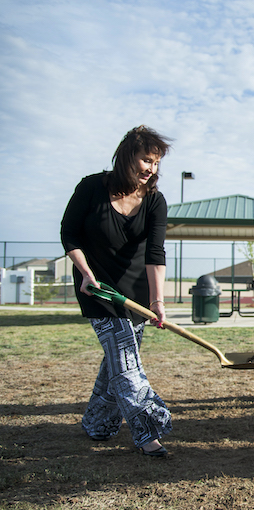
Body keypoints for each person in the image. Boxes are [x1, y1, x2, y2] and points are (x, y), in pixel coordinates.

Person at [61, 125, 173, 457]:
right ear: (128, 156)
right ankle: (147, 431)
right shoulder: (91, 187)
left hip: (136, 297)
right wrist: (85, 273)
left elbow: (155, 254)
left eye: (155, 163)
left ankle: (98, 424)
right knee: (126, 362)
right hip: (97, 289)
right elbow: (69, 234)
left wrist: (158, 302)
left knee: (117, 362)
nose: (151, 169)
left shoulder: (155, 201)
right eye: (146, 160)